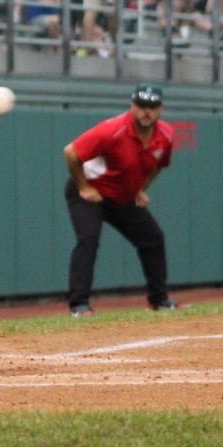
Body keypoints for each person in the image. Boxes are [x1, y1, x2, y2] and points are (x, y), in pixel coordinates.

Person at [62, 83, 183, 317]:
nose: (146, 111)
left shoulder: (166, 135)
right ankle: (79, 305)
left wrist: (140, 188)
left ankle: (159, 300)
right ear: (132, 106)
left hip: (122, 196)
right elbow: (71, 152)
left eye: (152, 106)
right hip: (91, 192)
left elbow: (158, 165)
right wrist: (84, 187)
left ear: (160, 109)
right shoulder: (112, 130)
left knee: (153, 238)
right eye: (141, 105)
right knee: (88, 239)